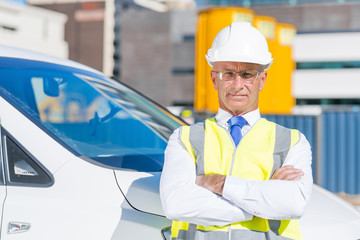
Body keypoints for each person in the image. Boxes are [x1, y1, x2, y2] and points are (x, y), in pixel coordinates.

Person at [160, 21, 313, 240]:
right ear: (214, 79)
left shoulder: (292, 142)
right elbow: (176, 204)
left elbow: (294, 203)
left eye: (248, 74)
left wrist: (216, 183)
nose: (237, 84)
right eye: (228, 74)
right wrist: (261, 199)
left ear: (262, 80)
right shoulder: (185, 139)